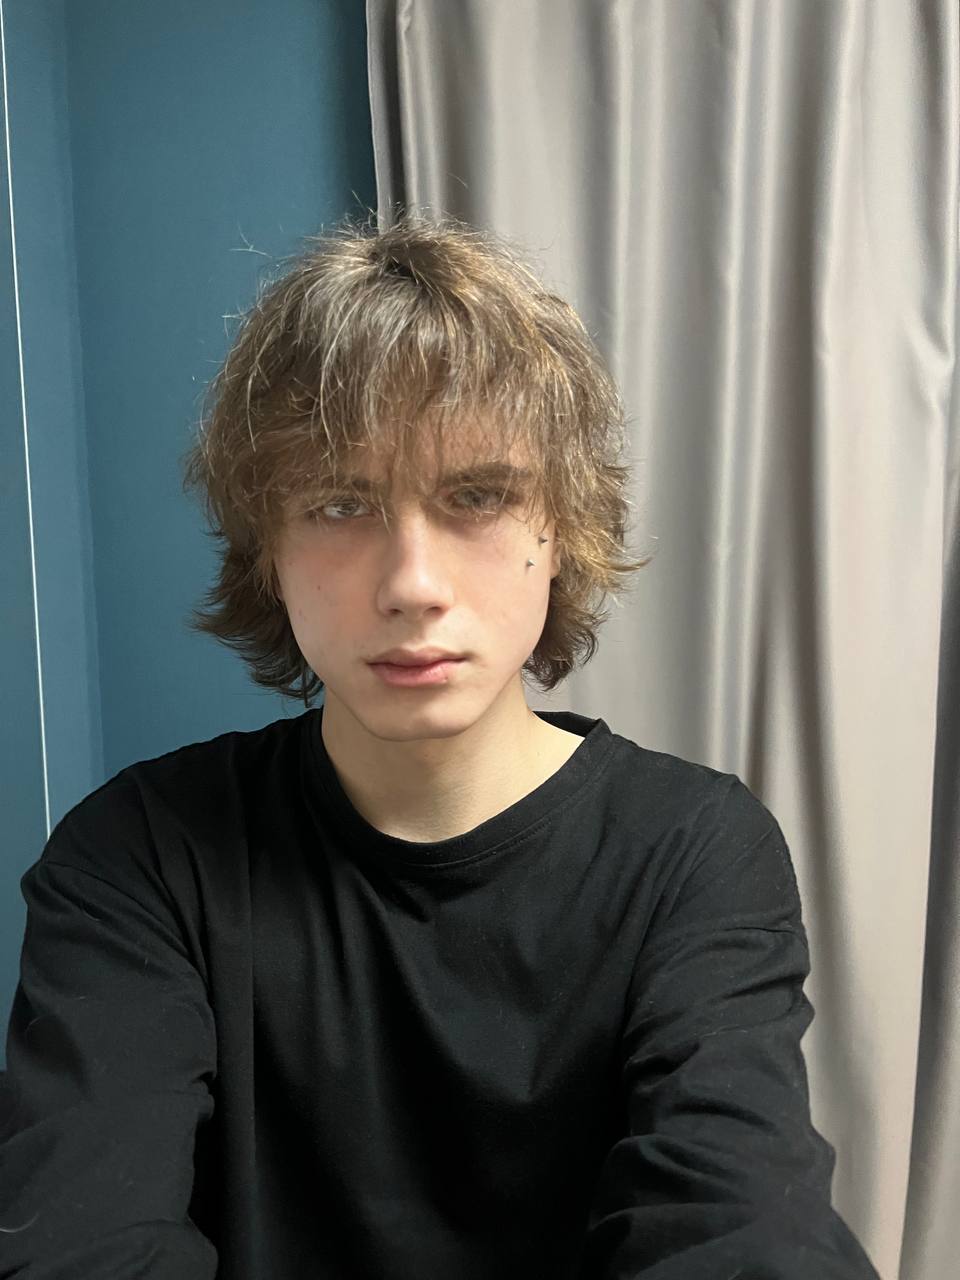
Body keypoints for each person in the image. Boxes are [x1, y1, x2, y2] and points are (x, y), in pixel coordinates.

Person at [0, 215, 881, 1278]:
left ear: (560, 531)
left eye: (477, 497)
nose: (411, 584)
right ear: (268, 552)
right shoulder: (141, 852)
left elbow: (742, 1231)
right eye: (340, 503)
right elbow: (82, 1244)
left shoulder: (692, 847)